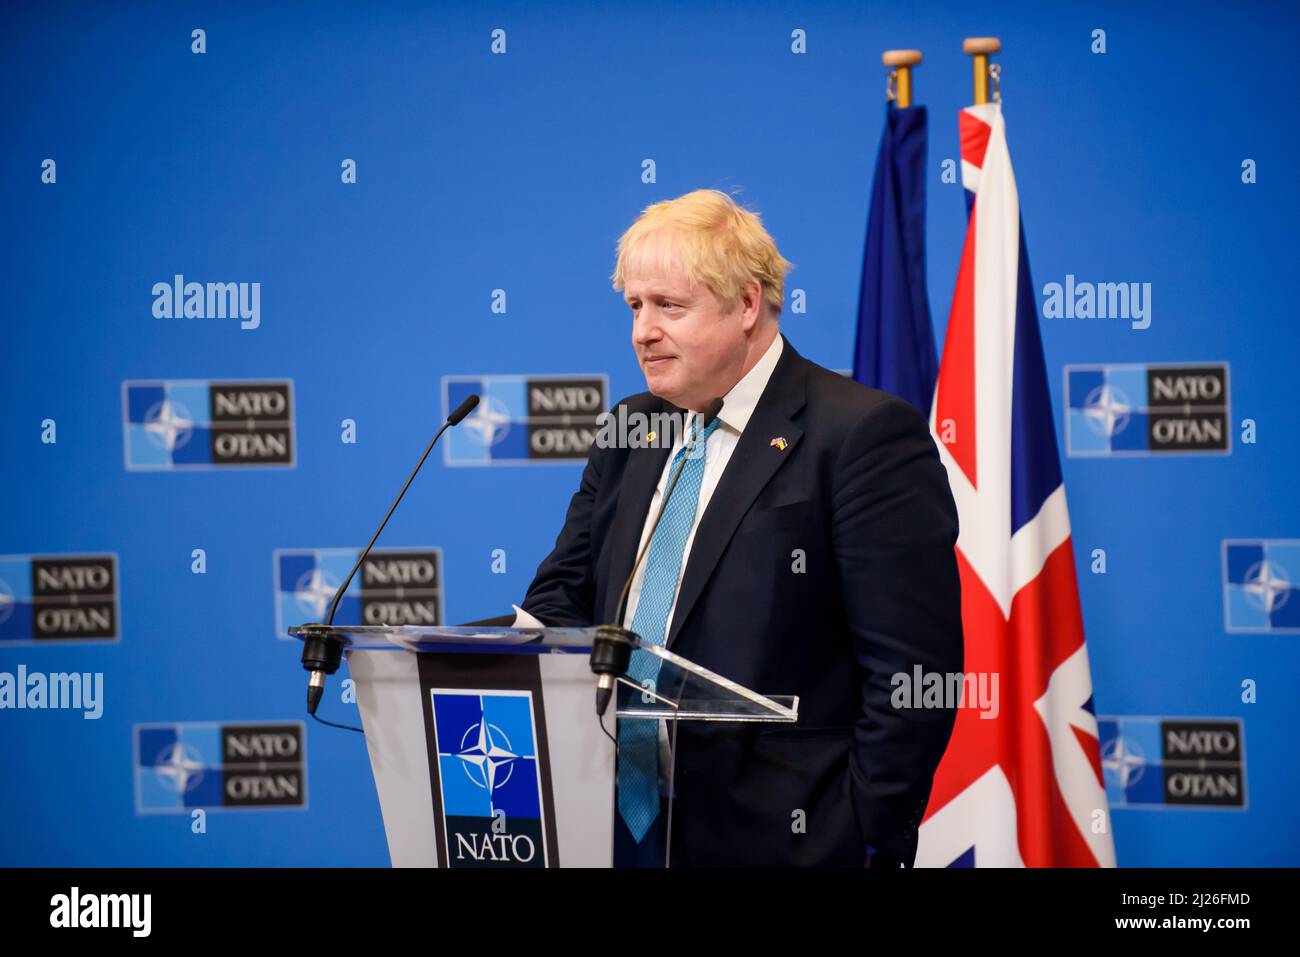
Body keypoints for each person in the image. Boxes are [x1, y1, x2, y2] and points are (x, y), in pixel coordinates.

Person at [516, 188, 962, 867]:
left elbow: (914, 672)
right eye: (634, 305)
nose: (642, 330)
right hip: (607, 830)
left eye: (669, 305)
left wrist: (857, 830)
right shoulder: (632, 427)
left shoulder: (860, 435)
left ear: (748, 304)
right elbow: (562, 600)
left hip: (784, 842)